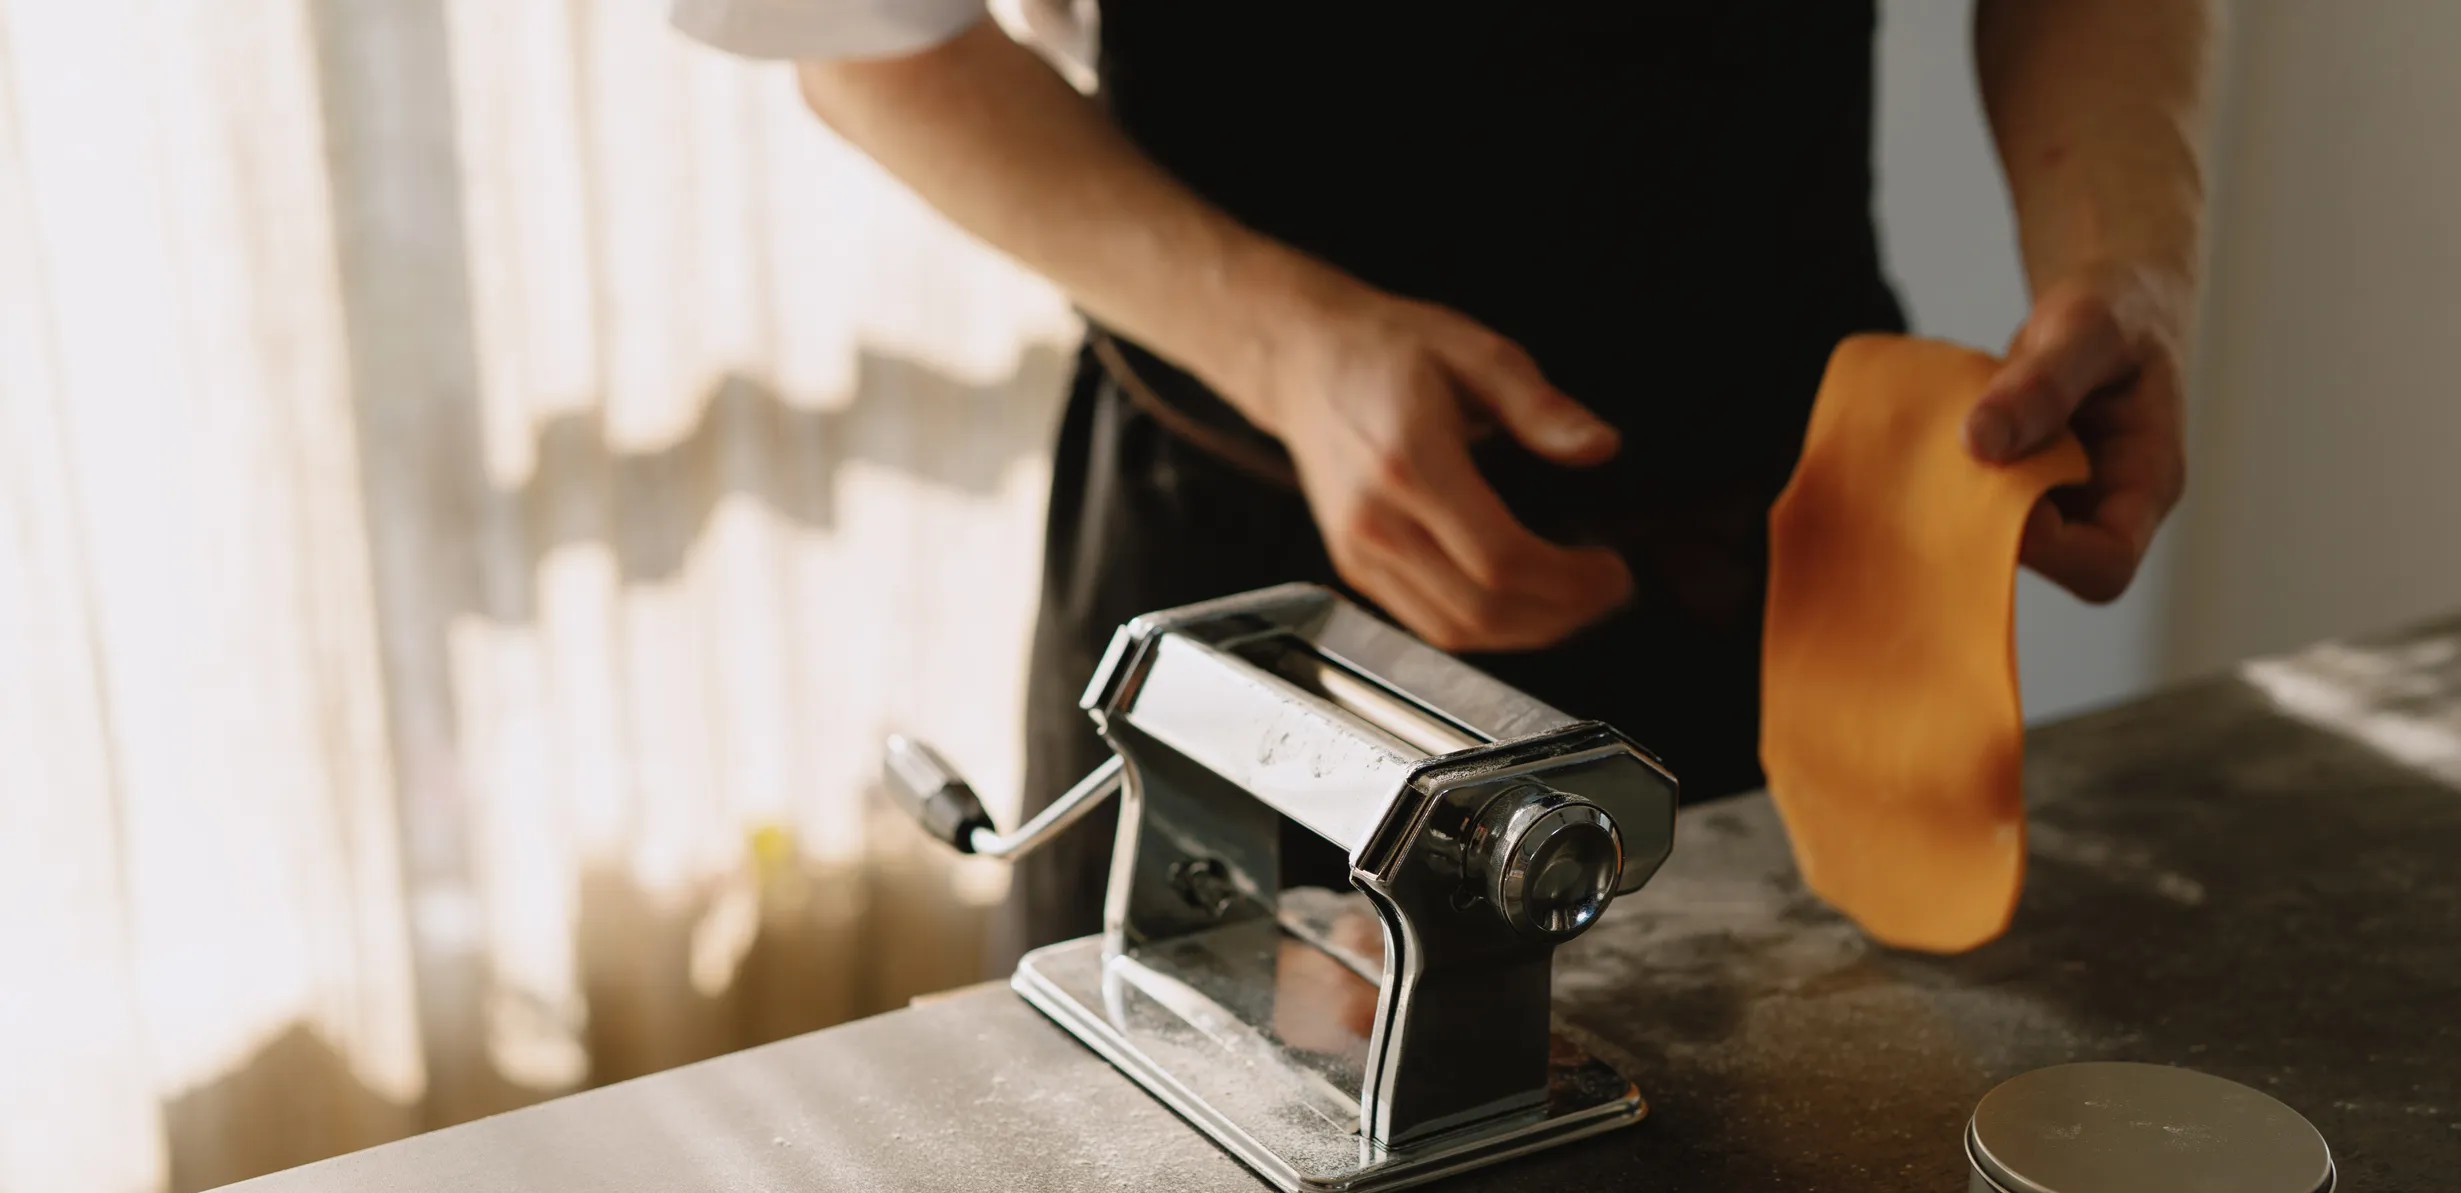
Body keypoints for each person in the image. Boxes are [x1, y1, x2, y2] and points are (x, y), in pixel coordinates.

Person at [673, 0, 2215, 950]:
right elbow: (862, 43)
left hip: (1781, 607)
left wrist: (2123, 263)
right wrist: (1281, 341)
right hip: (1248, 607)